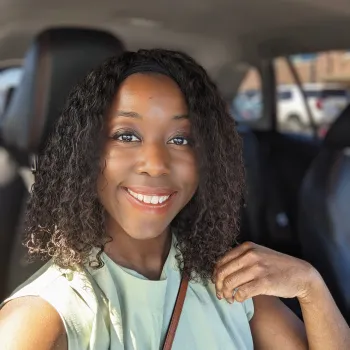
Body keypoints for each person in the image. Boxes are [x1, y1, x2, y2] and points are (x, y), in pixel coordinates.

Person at [0, 49, 349, 350]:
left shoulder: (232, 285)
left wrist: (309, 286)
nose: (155, 164)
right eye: (126, 135)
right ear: (86, 152)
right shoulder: (42, 316)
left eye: (181, 140)